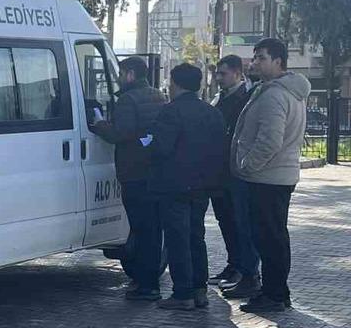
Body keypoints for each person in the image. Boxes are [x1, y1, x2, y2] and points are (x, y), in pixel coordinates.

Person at [231, 38, 308, 313]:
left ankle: (274, 295)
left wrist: (247, 165)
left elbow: (270, 141)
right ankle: (277, 292)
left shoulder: (275, 94)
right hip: (275, 176)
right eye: (255, 57)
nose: (255, 63)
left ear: (278, 61)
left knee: (269, 239)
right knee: (274, 237)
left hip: (267, 178)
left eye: (261, 58)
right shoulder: (282, 91)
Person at [148, 63, 227, 311]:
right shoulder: (212, 112)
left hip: (175, 185)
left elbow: (161, 148)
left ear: (176, 84)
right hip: (203, 184)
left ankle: (182, 292)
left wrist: (147, 143)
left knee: (177, 239)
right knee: (196, 237)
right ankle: (199, 289)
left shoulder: (170, 112)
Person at [91, 56, 166, 300]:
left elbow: (119, 134)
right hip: (154, 171)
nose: (119, 78)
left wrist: (100, 124)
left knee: (140, 228)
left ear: (131, 74)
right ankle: (150, 280)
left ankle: (146, 286)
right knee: (153, 229)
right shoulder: (158, 95)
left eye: (121, 74)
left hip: (133, 172)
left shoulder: (127, 100)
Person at [208, 56, 260, 297]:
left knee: (240, 223)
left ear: (238, 74)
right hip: (219, 170)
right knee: (225, 220)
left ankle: (245, 270)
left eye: (224, 74)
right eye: (217, 74)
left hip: (235, 171)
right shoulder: (220, 98)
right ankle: (234, 264)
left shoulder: (245, 99)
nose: (219, 78)